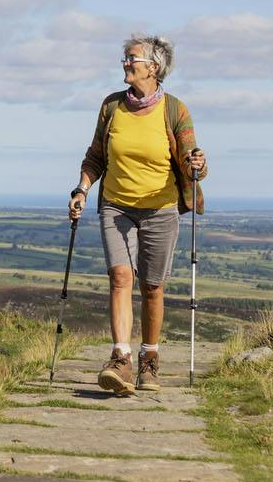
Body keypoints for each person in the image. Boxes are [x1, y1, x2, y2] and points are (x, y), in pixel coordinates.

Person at [67, 34, 207, 395]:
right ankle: (121, 359)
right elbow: (96, 155)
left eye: (132, 59)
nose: (125, 64)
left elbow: (192, 160)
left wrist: (198, 164)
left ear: (154, 67)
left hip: (160, 208)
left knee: (152, 287)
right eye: (125, 59)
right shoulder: (111, 106)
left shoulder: (175, 110)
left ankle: (150, 360)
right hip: (116, 205)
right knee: (119, 276)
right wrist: (82, 190)